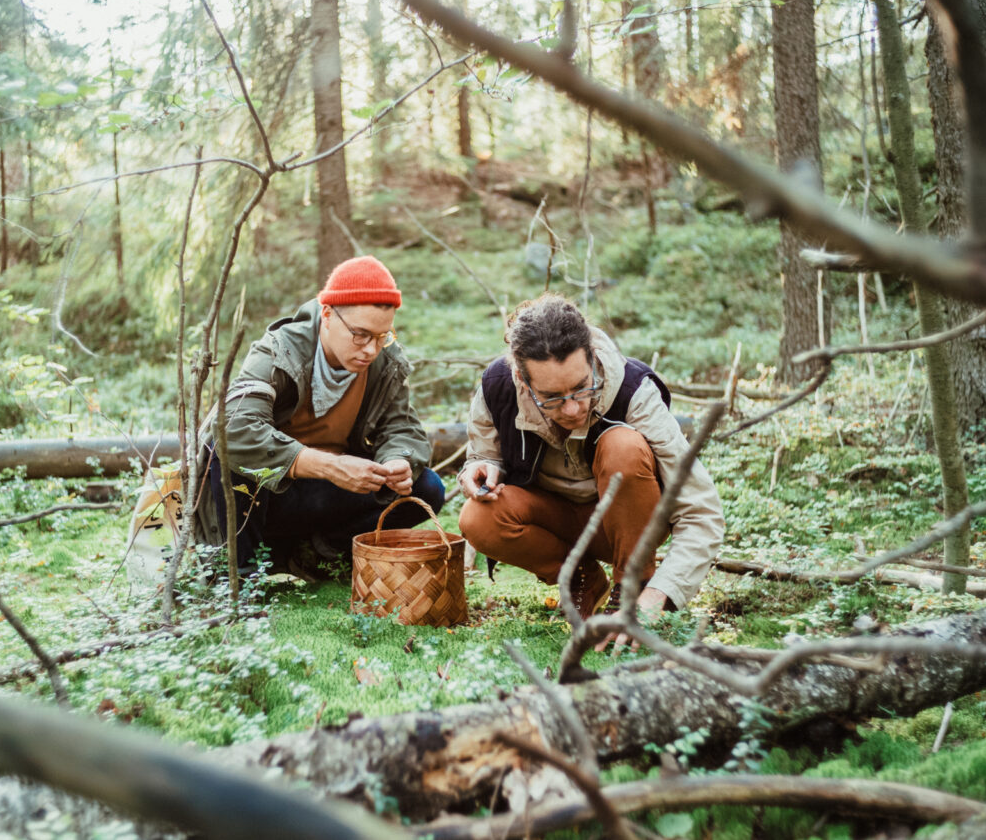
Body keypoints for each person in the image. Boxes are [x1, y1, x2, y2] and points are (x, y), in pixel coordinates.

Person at [457, 293, 723, 640]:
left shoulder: (634, 392)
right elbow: (484, 455)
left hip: (626, 520)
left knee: (623, 447)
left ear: (593, 358)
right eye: (552, 397)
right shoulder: (497, 387)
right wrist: (481, 467)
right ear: (523, 381)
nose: (571, 409)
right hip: (552, 519)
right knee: (477, 517)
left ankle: (630, 591)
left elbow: (701, 511)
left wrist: (659, 595)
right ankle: (583, 579)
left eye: (582, 388)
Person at [206, 255, 445, 577]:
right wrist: (331, 466)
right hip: (268, 498)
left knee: (426, 487)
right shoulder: (277, 351)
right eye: (360, 335)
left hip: (327, 493)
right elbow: (233, 428)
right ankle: (242, 575)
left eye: (382, 337)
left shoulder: (385, 363)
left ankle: (319, 554)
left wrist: (397, 460)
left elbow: (401, 426)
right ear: (328, 315)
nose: (371, 350)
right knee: (227, 458)